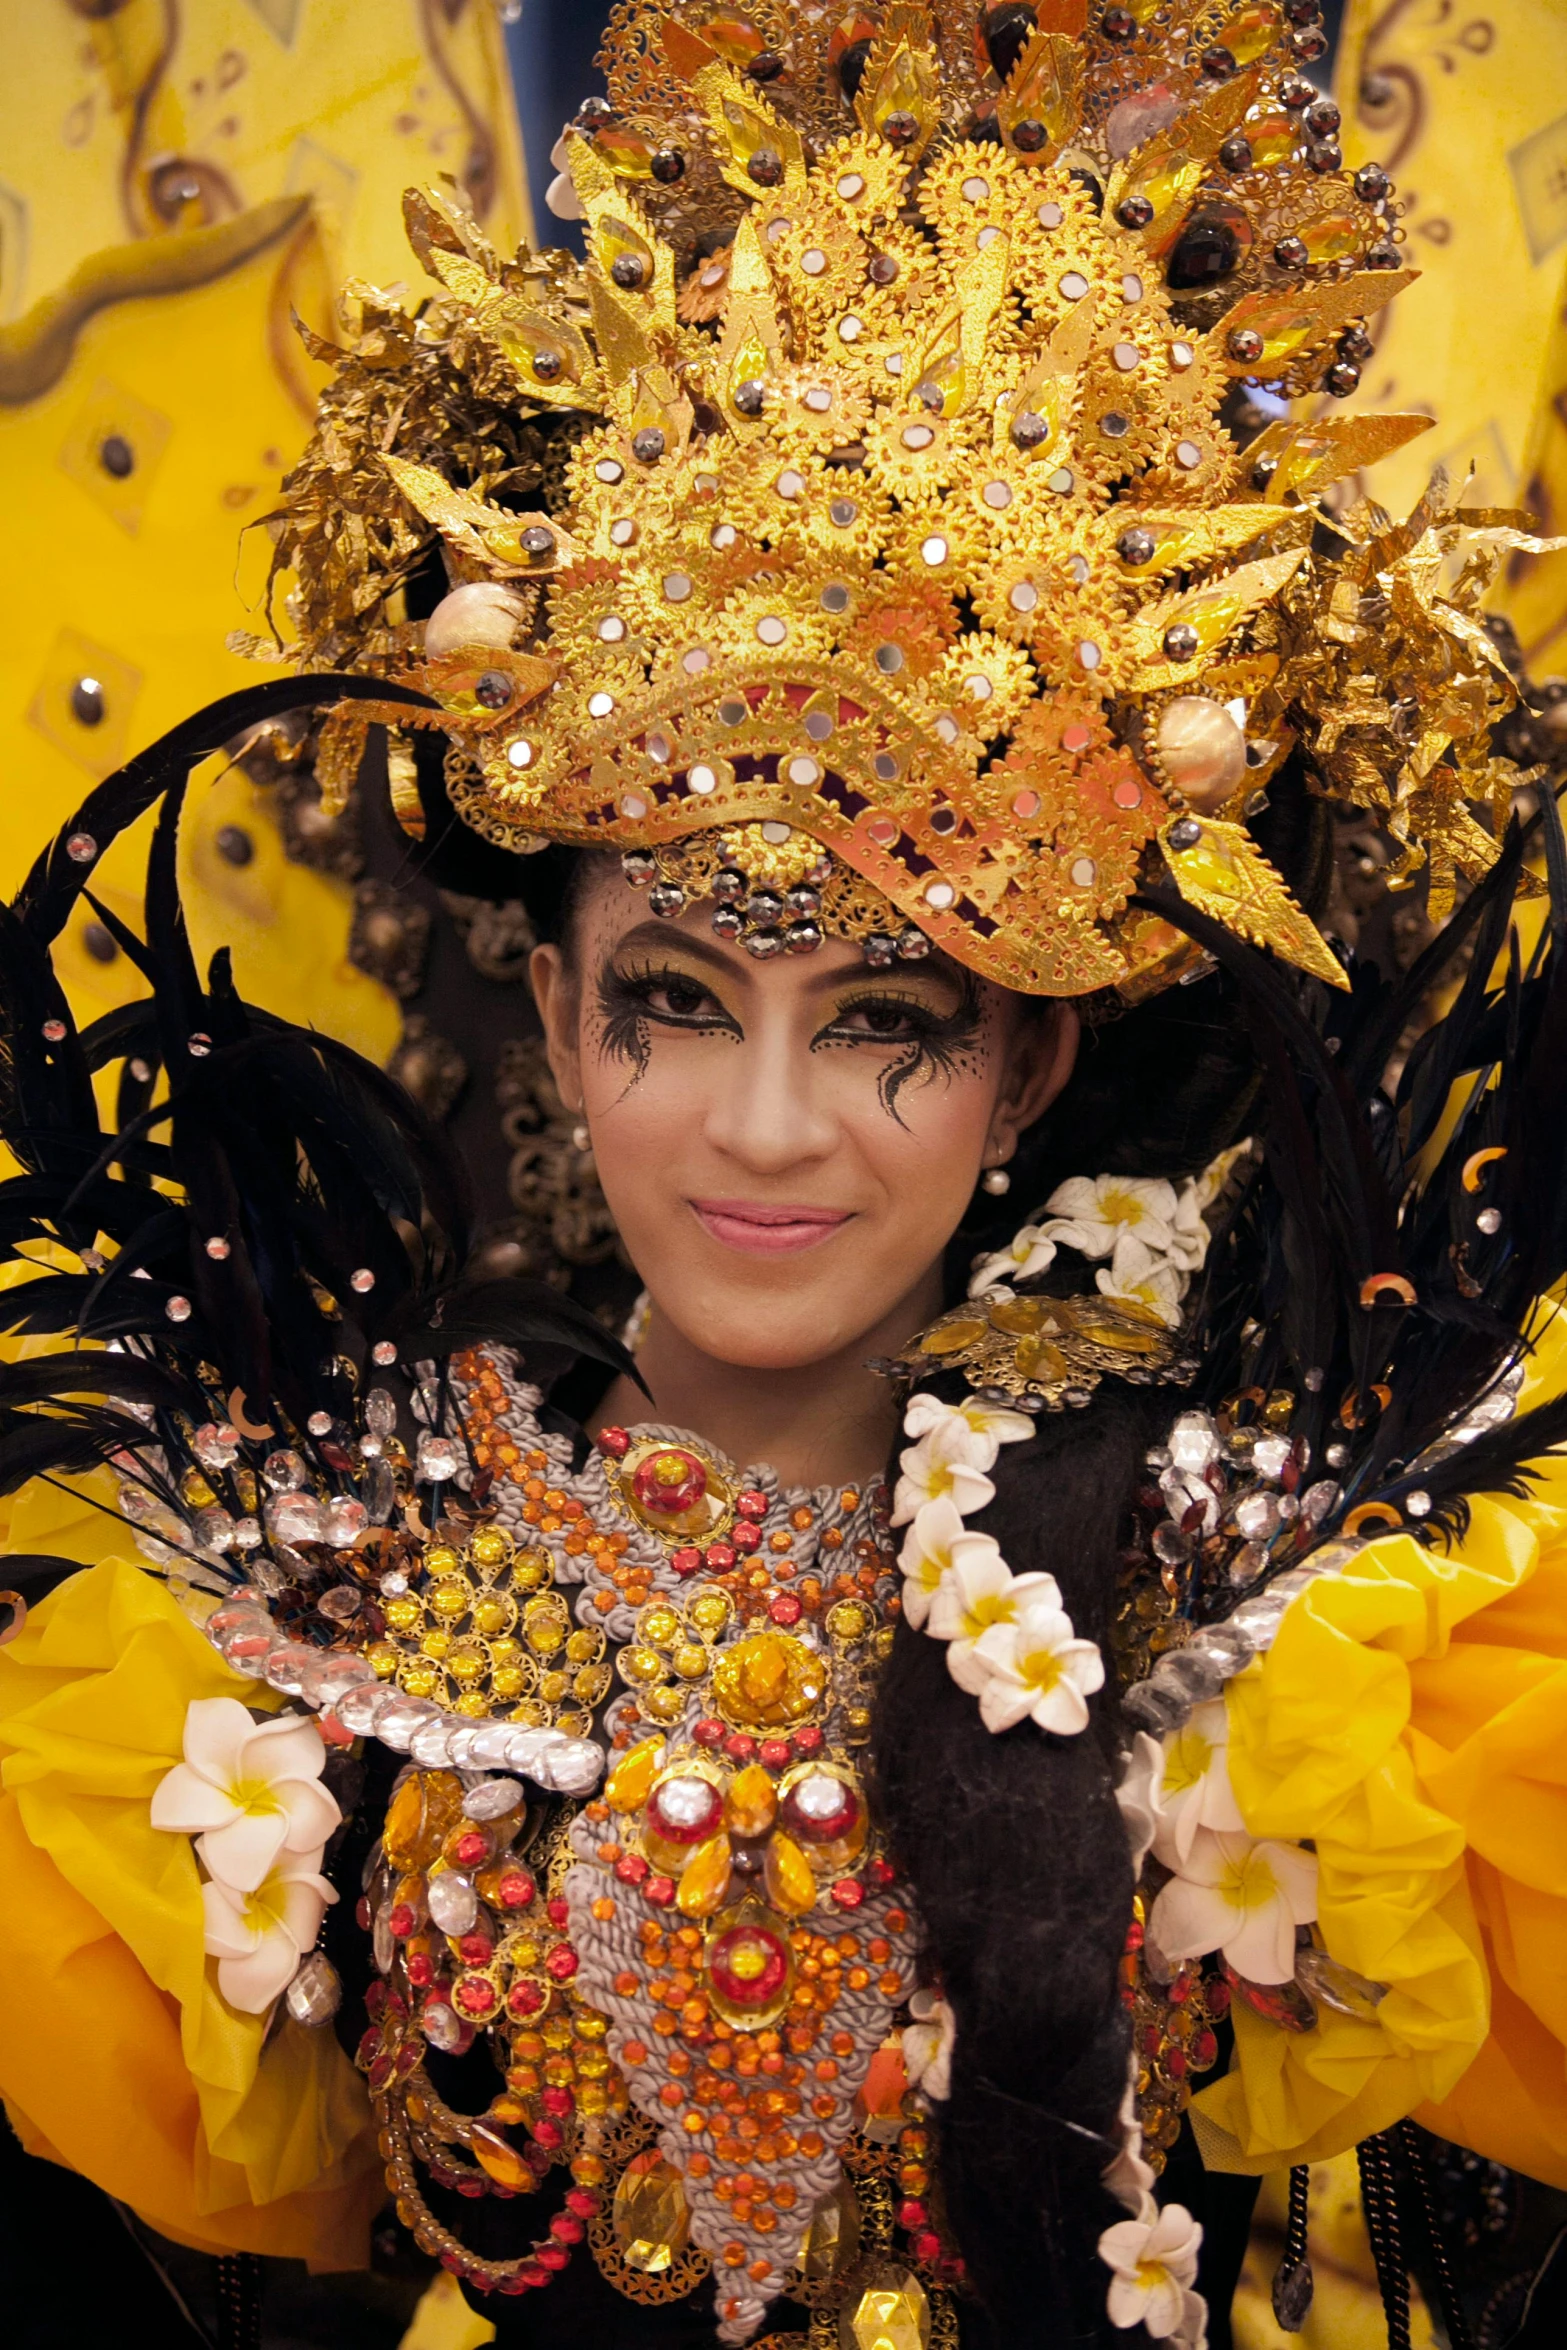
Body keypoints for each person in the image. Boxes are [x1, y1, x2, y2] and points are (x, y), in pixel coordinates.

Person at [5, 7, 1567, 2349]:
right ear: (551, 1015)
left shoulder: (1310, 1626)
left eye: (881, 1024)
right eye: (670, 1002)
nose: (759, 1128)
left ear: (1030, 1060)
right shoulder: (284, 1611)